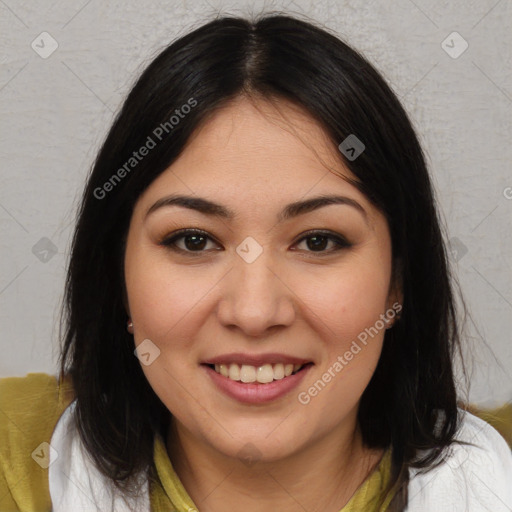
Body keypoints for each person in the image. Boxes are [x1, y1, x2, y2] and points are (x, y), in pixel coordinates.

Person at [1, 12, 511, 512]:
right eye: (194, 241)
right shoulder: (15, 460)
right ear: (117, 275)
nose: (254, 312)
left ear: (398, 279)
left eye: (318, 242)